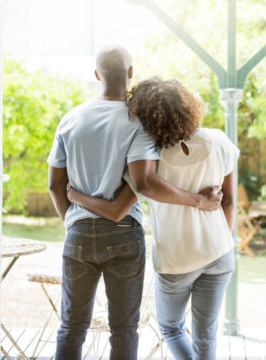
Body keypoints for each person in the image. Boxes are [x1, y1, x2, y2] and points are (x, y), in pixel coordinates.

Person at [47, 46, 222, 360]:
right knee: (124, 328)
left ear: (97, 75)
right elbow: (144, 182)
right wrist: (198, 200)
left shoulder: (69, 120)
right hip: (124, 236)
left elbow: (54, 185)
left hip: (79, 232)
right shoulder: (138, 123)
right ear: (130, 73)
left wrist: (73, 221)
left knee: (71, 325)